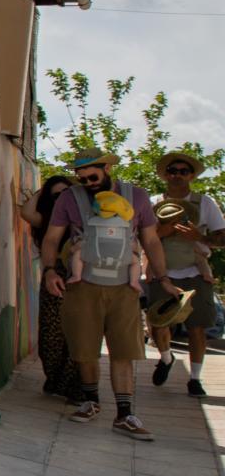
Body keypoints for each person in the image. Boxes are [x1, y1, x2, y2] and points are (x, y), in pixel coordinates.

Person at [40, 149, 179, 440]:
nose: (88, 182)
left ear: (106, 168)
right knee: (85, 349)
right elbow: (52, 238)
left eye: (93, 176)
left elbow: (151, 240)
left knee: (123, 351)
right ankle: (91, 400)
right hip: (83, 285)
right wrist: (50, 271)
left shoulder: (136, 197)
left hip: (124, 287)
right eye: (81, 178)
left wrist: (163, 278)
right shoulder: (70, 198)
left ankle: (124, 413)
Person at [149, 150, 224, 396]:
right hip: (161, 271)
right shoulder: (154, 202)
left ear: (191, 175)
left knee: (197, 326)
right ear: (165, 175)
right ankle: (166, 357)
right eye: (172, 171)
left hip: (195, 270)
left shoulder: (204, 203)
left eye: (183, 172)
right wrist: (163, 232)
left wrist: (199, 237)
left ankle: (194, 378)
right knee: (159, 322)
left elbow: (221, 237)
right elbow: (141, 237)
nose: (177, 176)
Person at [17, 175, 79, 399]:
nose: (62, 199)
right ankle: (54, 379)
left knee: (78, 332)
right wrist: (42, 190)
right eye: (56, 195)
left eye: (67, 193)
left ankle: (74, 384)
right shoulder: (48, 219)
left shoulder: (81, 218)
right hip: (55, 275)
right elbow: (26, 212)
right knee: (52, 332)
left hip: (81, 277)